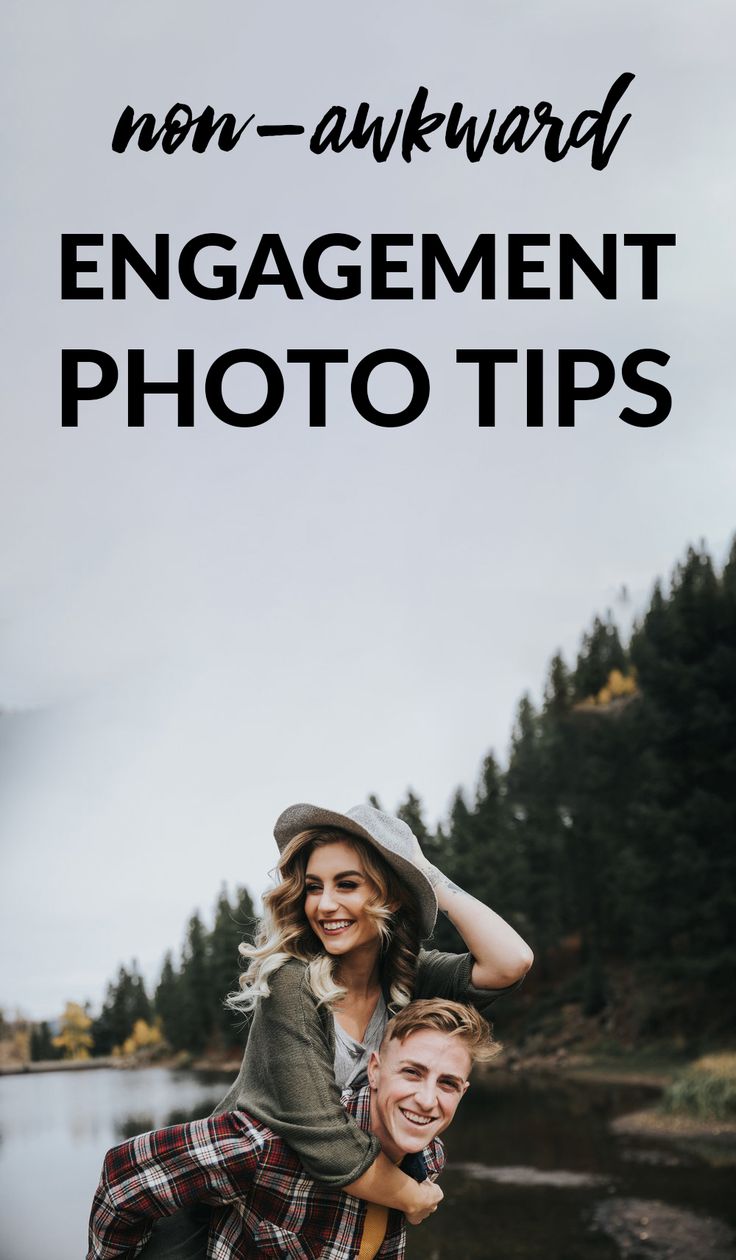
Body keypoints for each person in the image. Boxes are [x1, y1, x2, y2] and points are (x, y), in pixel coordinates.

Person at [139, 801, 532, 1255]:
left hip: (315, 1210)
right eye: (313, 887)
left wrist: (423, 872)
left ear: (389, 894)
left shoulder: (407, 974)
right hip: (224, 1212)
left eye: (347, 884)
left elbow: (511, 962)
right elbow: (326, 1140)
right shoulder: (292, 981)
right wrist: (414, 1195)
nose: (324, 905)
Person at [88, 999, 498, 1260]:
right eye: (412, 1073)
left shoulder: (428, 1157)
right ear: (374, 1071)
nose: (428, 1100)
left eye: (447, 1084)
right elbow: (123, 1176)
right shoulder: (275, 1145)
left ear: (463, 1091)